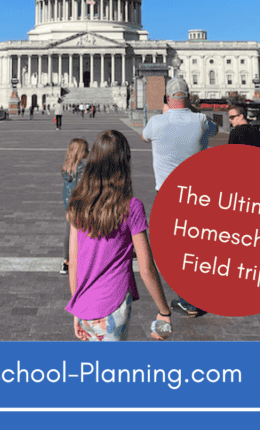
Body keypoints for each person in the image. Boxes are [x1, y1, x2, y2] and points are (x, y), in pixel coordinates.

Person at [66, 129, 172, 342]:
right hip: (114, 303)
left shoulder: (78, 202)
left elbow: (74, 261)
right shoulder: (131, 207)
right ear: (125, 162)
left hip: (85, 303)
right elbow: (146, 267)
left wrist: (76, 307)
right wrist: (164, 311)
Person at [142, 76, 218, 318]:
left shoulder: (156, 123)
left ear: (167, 98)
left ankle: (191, 298)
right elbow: (214, 129)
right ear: (188, 97)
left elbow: (145, 136)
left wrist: (166, 114)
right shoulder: (201, 121)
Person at [60, 138, 89, 276]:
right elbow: (80, 189)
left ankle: (66, 260)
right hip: (79, 205)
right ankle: (79, 260)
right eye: (86, 150)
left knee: (69, 233)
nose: (88, 152)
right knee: (82, 232)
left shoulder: (66, 167)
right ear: (80, 152)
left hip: (69, 204)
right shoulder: (82, 169)